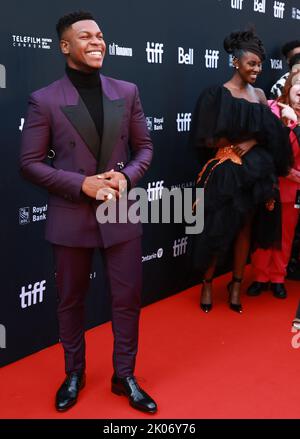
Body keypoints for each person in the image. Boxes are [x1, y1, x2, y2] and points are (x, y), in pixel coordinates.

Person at [20, 11, 157, 414]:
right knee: (71, 302)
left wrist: (126, 177)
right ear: (65, 46)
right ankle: (74, 373)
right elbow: (28, 163)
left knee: (128, 299)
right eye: (86, 37)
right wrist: (80, 183)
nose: (98, 42)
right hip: (71, 215)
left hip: (119, 212)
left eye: (100, 35)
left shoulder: (127, 91)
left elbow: (145, 147)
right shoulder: (44, 99)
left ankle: (124, 376)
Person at [190, 30, 292, 314]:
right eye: (251, 64)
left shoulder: (260, 95)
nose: (257, 69)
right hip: (227, 171)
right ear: (236, 62)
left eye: (259, 64)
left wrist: (252, 139)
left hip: (257, 172)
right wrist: (239, 143)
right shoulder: (217, 95)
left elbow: (272, 134)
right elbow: (209, 138)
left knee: (246, 227)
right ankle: (208, 283)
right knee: (217, 228)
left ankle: (236, 284)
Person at [247, 70, 300, 299]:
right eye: (298, 84)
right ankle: (260, 276)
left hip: (293, 189)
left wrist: (295, 123)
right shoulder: (272, 109)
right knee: (263, 232)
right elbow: (265, 145)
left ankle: (278, 277)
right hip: (267, 184)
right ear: (289, 87)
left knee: (285, 235)